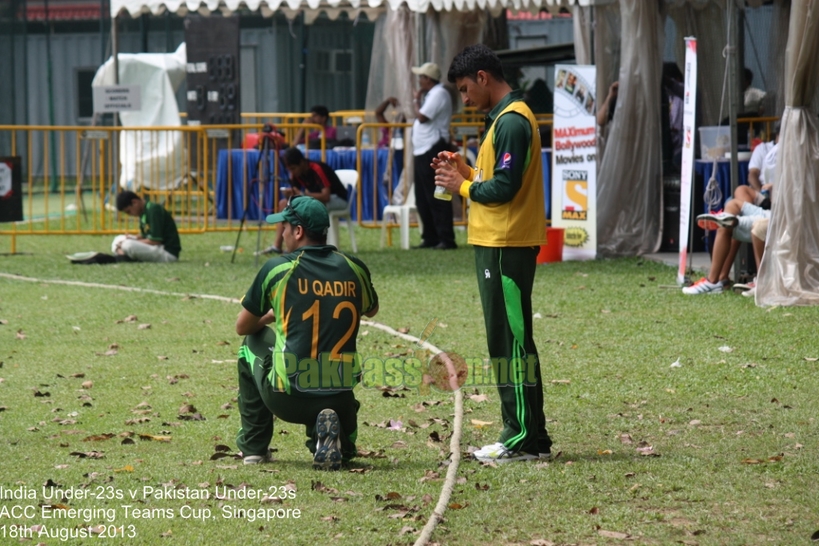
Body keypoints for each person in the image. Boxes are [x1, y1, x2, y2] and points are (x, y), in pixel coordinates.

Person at [433, 44, 551, 463]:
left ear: (483, 77)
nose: (464, 99)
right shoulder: (500, 120)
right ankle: (531, 437)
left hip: (506, 246)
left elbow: (504, 190)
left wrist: (460, 187)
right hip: (496, 245)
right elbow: (493, 177)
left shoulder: (514, 121)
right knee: (506, 340)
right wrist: (465, 171)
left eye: (465, 89)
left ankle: (519, 438)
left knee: (512, 343)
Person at [234, 196, 379, 469]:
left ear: (298, 232)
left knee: (250, 342)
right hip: (340, 396)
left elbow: (242, 325)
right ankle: (336, 442)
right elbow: (371, 310)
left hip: (289, 399)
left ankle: (254, 448)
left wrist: (272, 315)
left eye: (285, 227)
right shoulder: (354, 267)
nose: (283, 233)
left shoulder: (278, 268)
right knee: (334, 398)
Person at [260, 147, 348, 255]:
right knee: (283, 204)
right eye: (290, 170)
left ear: (301, 163)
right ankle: (277, 246)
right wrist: (290, 194)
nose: (292, 172)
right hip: (316, 200)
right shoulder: (297, 173)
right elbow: (296, 194)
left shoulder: (316, 168)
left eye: (293, 168)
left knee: (302, 210)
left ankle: (303, 247)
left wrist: (302, 195)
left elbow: (326, 196)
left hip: (337, 199)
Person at [410, 61, 456, 250]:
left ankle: (446, 238)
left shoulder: (439, 94)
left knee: (437, 195)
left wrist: (416, 100)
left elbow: (422, 117)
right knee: (423, 196)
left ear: (427, 79)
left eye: (421, 77)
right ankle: (430, 236)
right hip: (423, 149)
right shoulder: (433, 94)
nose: (419, 80)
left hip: (432, 148)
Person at [682, 198, 771, 295]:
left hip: (782, 218)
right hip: (773, 211)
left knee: (725, 226)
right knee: (732, 203)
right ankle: (721, 277)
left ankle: (712, 281)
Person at [113, 191, 181, 263]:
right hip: (156, 247)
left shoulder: (154, 210)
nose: (130, 214)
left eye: (129, 211)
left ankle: (123, 255)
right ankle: (124, 255)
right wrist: (133, 237)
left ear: (134, 202)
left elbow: (155, 240)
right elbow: (145, 235)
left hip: (166, 252)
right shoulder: (143, 212)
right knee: (118, 239)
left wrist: (133, 241)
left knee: (127, 245)